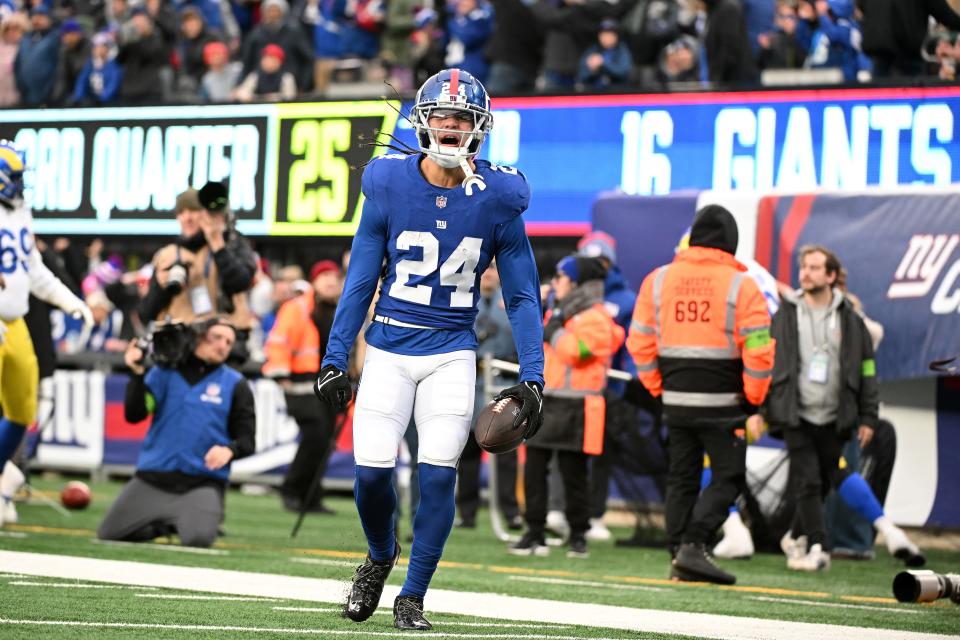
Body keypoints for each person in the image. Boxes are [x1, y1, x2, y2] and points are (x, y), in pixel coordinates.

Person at [313, 68, 544, 631]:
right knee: (370, 475)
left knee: (437, 475)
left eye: (462, 118)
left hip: (451, 351)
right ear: (422, 122)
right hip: (389, 345)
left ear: (478, 129)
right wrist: (334, 355)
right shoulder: (388, 183)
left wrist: (534, 375)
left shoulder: (497, 197)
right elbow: (359, 281)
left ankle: (412, 595)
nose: (450, 125)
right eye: (442, 116)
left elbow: (521, 296)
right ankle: (378, 556)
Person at [626, 204, 774, 585]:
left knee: (682, 478)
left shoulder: (657, 280)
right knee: (728, 477)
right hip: (725, 404)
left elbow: (638, 343)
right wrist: (753, 399)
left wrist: (659, 388)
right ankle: (694, 544)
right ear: (731, 242)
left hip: (674, 401)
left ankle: (679, 558)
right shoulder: (743, 286)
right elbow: (759, 351)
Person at [763, 245, 921, 571]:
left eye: (815, 267)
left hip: (833, 415)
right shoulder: (786, 312)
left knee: (830, 474)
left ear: (832, 275)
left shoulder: (850, 317)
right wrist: (765, 406)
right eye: (804, 267)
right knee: (809, 479)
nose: (806, 273)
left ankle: (795, 537)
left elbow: (866, 370)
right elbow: (768, 361)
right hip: (794, 412)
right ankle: (820, 547)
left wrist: (868, 416)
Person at [0, 140, 94, 527]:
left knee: (24, 410)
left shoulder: (21, 211)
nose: (20, 186)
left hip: (15, 320)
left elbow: (33, 269)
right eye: (14, 178)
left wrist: (69, 300)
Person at [98, 318, 255, 547]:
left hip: (202, 482)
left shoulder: (235, 384)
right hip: (153, 478)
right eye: (217, 337)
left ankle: (186, 517)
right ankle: (163, 524)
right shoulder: (164, 374)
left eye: (229, 342)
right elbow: (135, 414)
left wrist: (229, 450)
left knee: (198, 539)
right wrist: (137, 373)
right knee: (109, 533)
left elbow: (247, 440)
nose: (223, 345)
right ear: (199, 337)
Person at [510, 255, 623, 559]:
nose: (555, 282)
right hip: (549, 401)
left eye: (561, 277)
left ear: (576, 283)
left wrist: (555, 329)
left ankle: (578, 536)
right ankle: (534, 533)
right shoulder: (557, 313)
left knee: (573, 476)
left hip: (578, 406)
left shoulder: (597, 317)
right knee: (534, 470)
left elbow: (577, 352)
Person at [139, 184, 258, 362]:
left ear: (206, 213)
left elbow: (240, 282)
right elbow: (146, 314)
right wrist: (160, 287)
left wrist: (218, 244)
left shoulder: (232, 243)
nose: (187, 218)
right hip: (179, 350)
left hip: (221, 349)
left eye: (193, 210)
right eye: (181, 212)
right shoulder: (167, 254)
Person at [263, 259, 343, 514]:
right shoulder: (297, 307)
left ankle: (311, 495)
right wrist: (279, 371)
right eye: (324, 275)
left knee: (326, 439)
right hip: (300, 381)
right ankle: (292, 489)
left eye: (334, 276)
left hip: (330, 384)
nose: (331, 280)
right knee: (316, 434)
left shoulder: (342, 308)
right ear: (314, 281)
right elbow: (278, 340)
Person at [455, 262, 522, 531]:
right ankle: (467, 512)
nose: (489, 274)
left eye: (494, 268)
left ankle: (511, 511)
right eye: (485, 268)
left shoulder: (511, 301)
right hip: (472, 381)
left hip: (503, 382)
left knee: (506, 449)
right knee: (467, 451)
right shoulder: (463, 300)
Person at [577, 19, 632, 89]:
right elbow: (582, 74)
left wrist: (603, 63)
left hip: (616, 93)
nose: (606, 37)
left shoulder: (622, 50)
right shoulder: (593, 50)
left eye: (609, 34)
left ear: (616, 36)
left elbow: (623, 72)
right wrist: (593, 70)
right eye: (603, 34)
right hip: (594, 93)